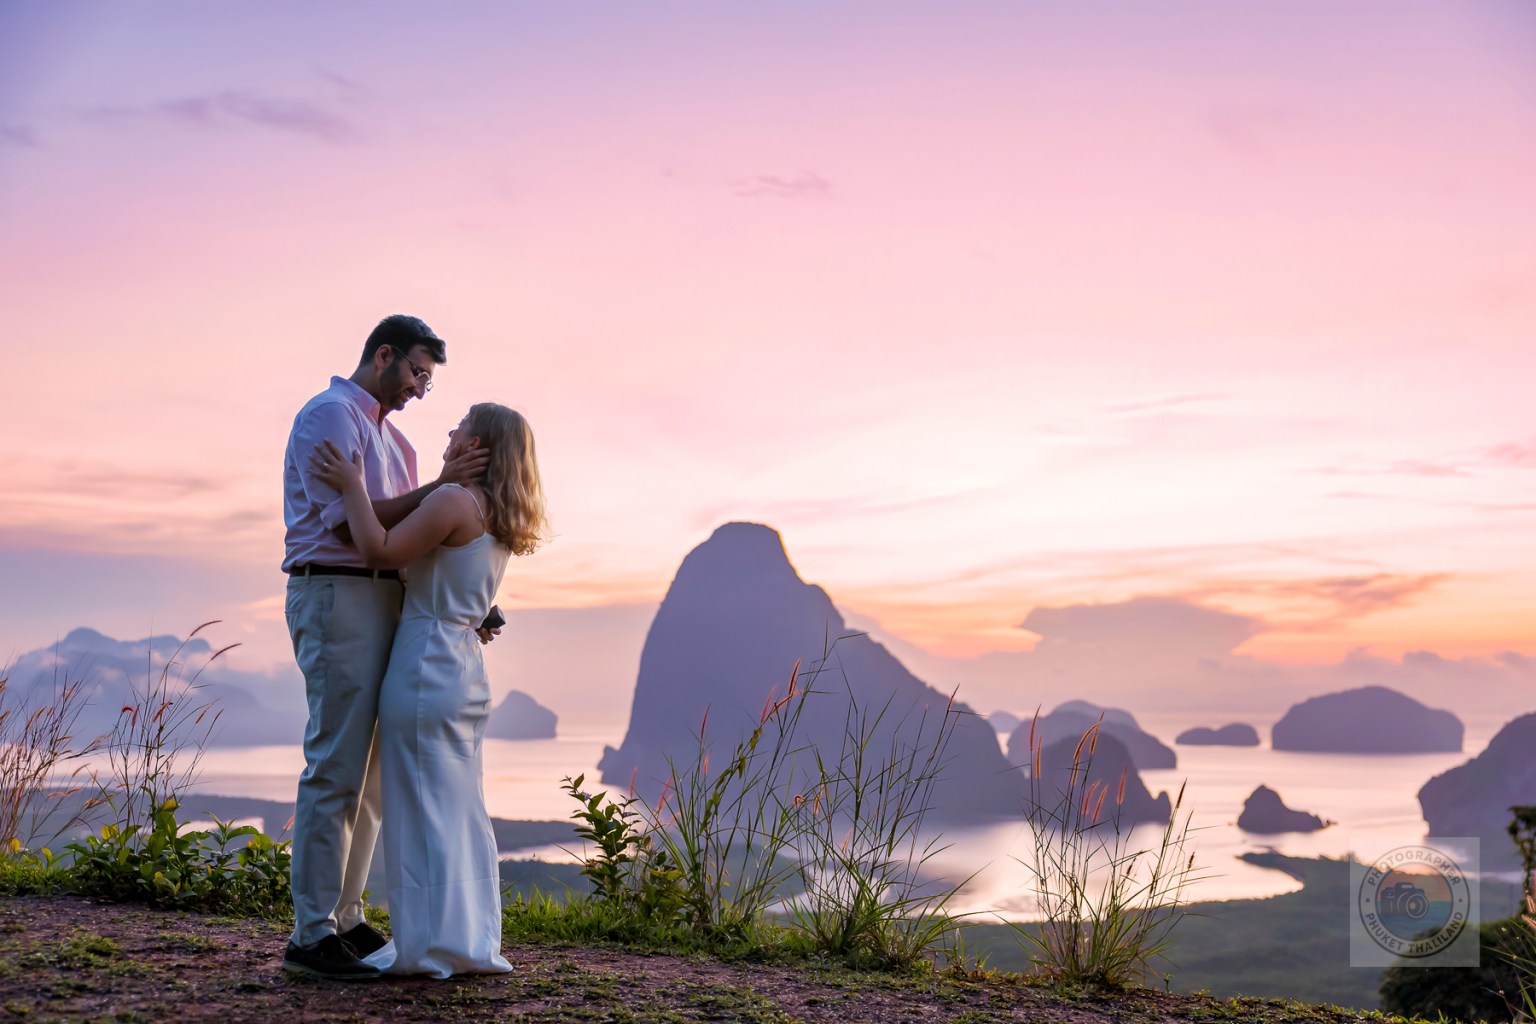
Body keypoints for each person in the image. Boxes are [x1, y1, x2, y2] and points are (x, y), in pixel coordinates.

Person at [281, 315, 493, 980]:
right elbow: (356, 526)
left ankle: (346, 917)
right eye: (416, 374)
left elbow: (411, 537)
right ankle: (310, 933)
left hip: (387, 597)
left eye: (427, 381)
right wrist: (441, 487)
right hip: (339, 592)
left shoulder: (392, 441)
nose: (419, 391)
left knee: (374, 777)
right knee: (337, 763)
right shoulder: (331, 417)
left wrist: (475, 598)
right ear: (383, 354)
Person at [308, 402, 549, 977]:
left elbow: (379, 552)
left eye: (461, 424)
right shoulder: (499, 513)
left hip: (424, 664)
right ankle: (463, 937)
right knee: (457, 806)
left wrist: (350, 488)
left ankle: (430, 945)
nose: (449, 430)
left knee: (418, 807)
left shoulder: (452, 501)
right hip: (462, 665)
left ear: (480, 445)